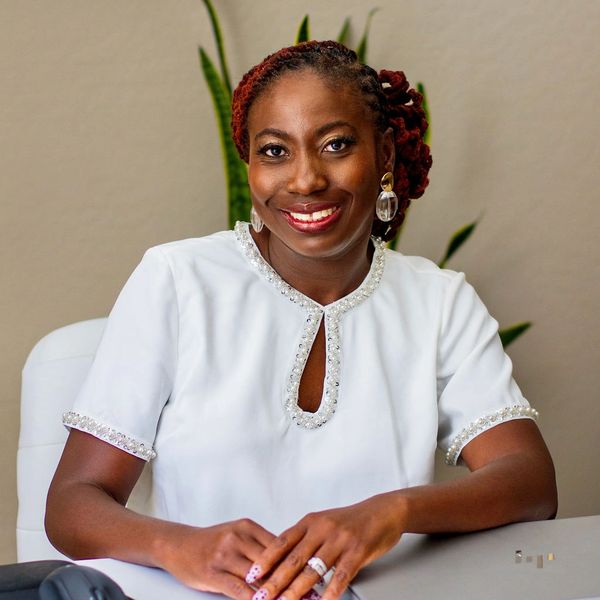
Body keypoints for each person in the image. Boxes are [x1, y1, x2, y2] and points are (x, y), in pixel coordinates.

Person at [45, 41, 557, 600]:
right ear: (250, 167)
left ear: (385, 154)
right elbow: (74, 503)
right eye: (274, 151)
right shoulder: (178, 279)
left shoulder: (439, 301)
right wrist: (179, 546)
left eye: (336, 145)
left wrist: (389, 511)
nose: (306, 180)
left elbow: (530, 482)